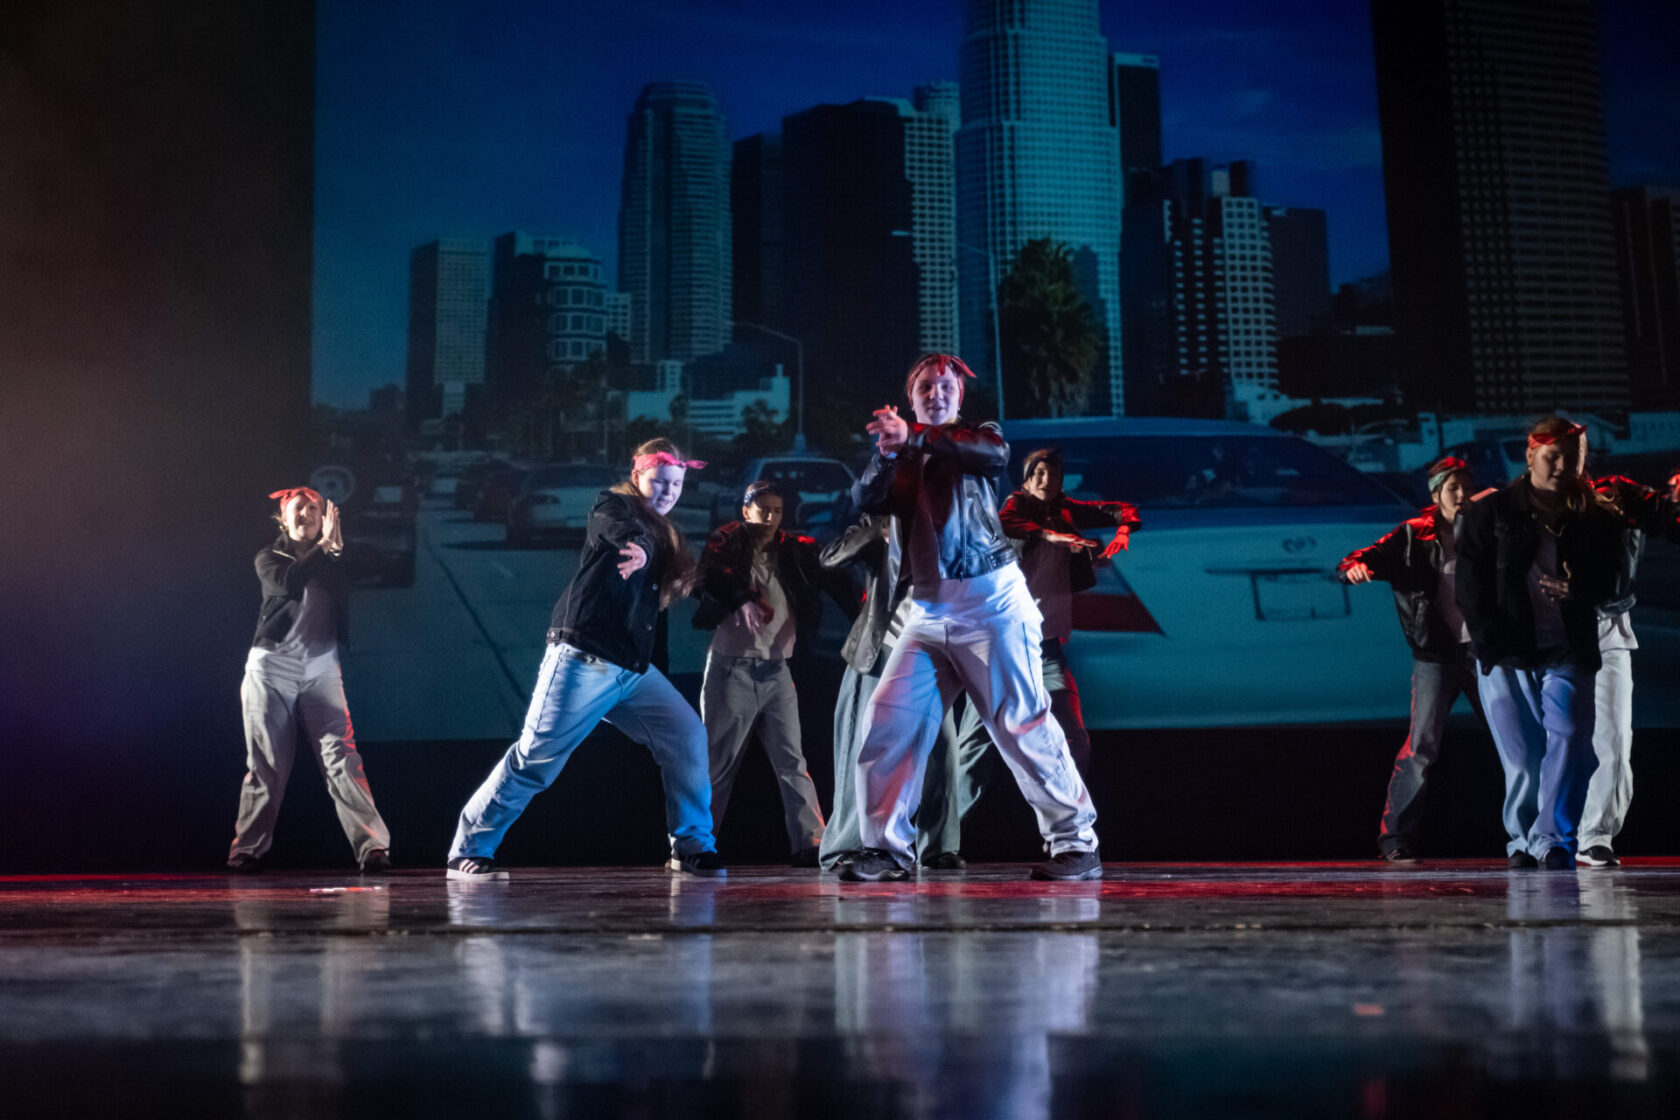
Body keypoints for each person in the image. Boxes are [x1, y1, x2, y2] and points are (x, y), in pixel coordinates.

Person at [840, 353, 1101, 882]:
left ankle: (1076, 842)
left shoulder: (977, 437)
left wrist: (916, 438)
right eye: (925, 387)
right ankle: (887, 850)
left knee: (1022, 724)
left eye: (946, 386)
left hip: (990, 604)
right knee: (888, 721)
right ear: (910, 399)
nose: (936, 393)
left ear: (959, 397)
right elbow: (865, 498)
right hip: (926, 611)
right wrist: (887, 453)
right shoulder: (902, 452)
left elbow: (992, 456)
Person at [446, 439, 725, 880]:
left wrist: (739, 599)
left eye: (675, 484)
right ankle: (468, 849)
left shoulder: (666, 533)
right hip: (584, 661)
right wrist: (640, 547)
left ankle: (691, 846)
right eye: (659, 482)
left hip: (633, 671)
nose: (668, 492)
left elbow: (692, 583)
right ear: (637, 477)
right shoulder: (613, 507)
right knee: (536, 759)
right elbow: (621, 531)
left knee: (687, 736)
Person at [1456, 418, 1622, 870]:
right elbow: (1469, 585)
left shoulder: (1596, 516)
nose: (1563, 466)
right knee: (1524, 758)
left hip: (1568, 647)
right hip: (1506, 649)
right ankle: (1522, 840)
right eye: (1553, 456)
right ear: (1530, 455)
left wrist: (1579, 588)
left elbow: (1613, 580)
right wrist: (1487, 643)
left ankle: (1552, 838)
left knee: (1572, 740)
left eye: (1573, 457)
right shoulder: (1491, 512)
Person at [228, 486, 391, 872]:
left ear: (325, 519)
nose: (306, 515)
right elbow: (289, 583)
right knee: (267, 763)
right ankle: (246, 850)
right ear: (283, 520)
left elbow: (378, 562)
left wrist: (336, 550)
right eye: (298, 509)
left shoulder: (333, 557)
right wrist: (324, 549)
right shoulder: (270, 557)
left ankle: (372, 848)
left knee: (342, 759)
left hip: (322, 669)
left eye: (314, 510)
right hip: (271, 669)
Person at [1338, 456, 1484, 864]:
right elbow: (1357, 558)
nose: (1462, 495)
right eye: (1453, 488)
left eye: (1467, 487)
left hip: (1483, 654)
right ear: (1436, 495)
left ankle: (1539, 837)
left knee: (1516, 745)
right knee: (1421, 747)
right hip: (1435, 656)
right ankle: (1395, 838)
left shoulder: (1485, 530)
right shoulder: (1412, 534)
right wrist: (1355, 568)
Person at [694, 480, 842, 867]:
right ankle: (694, 844)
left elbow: (833, 578)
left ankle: (811, 843)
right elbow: (711, 574)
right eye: (764, 510)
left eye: (777, 510)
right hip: (732, 669)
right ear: (746, 511)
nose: (771, 517)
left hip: (777, 670)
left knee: (792, 761)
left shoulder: (794, 549)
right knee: (718, 764)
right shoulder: (727, 541)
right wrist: (741, 598)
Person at [817, 511, 974, 871]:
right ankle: (845, 846)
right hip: (882, 648)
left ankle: (938, 846)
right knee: (865, 747)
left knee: (942, 750)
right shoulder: (881, 520)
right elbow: (830, 558)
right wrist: (878, 529)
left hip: (931, 652)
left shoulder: (950, 521)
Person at [1576, 472, 1680, 866]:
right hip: (1551, 632)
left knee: (1615, 739)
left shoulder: (1621, 495)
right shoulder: (1531, 500)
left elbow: (1668, 519)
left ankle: (1595, 835)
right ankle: (1544, 835)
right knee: (1551, 742)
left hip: (1608, 629)